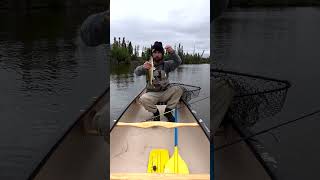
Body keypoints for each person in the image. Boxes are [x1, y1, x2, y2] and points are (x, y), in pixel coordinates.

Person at [134, 41, 183, 122]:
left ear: (162, 54)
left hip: (165, 92)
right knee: (142, 98)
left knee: (179, 90)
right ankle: (156, 113)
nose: (157, 54)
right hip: (152, 94)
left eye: (159, 52)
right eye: (155, 52)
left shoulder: (167, 65)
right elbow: (136, 72)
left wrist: (172, 52)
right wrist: (143, 67)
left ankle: (168, 111)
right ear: (152, 54)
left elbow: (178, 62)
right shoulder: (147, 65)